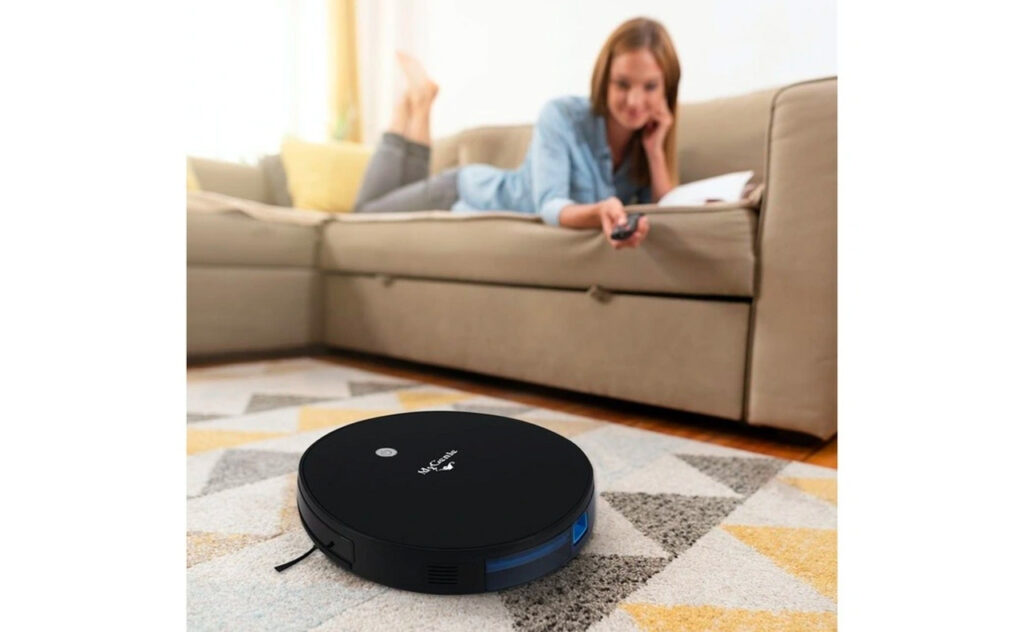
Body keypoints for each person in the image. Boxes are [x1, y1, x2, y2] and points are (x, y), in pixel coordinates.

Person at [352, 17, 681, 250]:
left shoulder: (645, 144)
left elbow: (672, 215)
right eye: (622, 84)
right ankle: (410, 105)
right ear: (603, 78)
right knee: (362, 217)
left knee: (383, 206)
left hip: (467, 191)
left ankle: (421, 100)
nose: (636, 101)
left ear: (666, 87)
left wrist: (655, 151)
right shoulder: (562, 115)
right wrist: (598, 213)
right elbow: (550, 205)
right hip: (464, 191)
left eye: (650, 86)